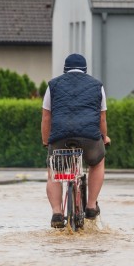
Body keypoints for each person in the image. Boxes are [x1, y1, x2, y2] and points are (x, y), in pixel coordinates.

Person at [41, 53, 111, 228]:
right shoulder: (97, 86)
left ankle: (57, 213)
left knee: (54, 171)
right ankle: (91, 206)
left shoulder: (53, 85)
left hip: (60, 137)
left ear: (65, 69)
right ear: (85, 70)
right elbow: (102, 119)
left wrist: (46, 141)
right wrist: (104, 137)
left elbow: (46, 118)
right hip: (89, 138)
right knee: (97, 162)